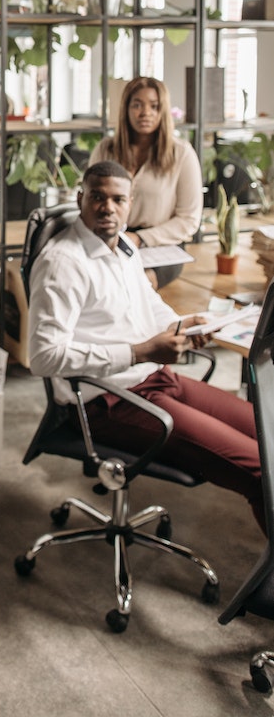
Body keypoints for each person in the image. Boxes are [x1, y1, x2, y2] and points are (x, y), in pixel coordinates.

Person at [27, 160, 263, 534]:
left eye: (118, 199)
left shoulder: (123, 247)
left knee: (264, 427)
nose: (108, 207)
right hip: (107, 401)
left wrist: (181, 324)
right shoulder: (62, 263)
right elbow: (42, 357)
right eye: (97, 197)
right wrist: (141, 352)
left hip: (155, 379)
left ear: (130, 204)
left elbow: (148, 305)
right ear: (80, 198)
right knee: (257, 468)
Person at [89, 76, 203, 288]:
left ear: (163, 111)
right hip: (107, 239)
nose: (145, 113)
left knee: (135, 286)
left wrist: (140, 238)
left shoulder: (182, 154)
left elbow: (189, 220)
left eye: (154, 106)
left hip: (160, 246)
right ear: (126, 109)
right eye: (137, 105)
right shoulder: (106, 149)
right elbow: (89, 201)